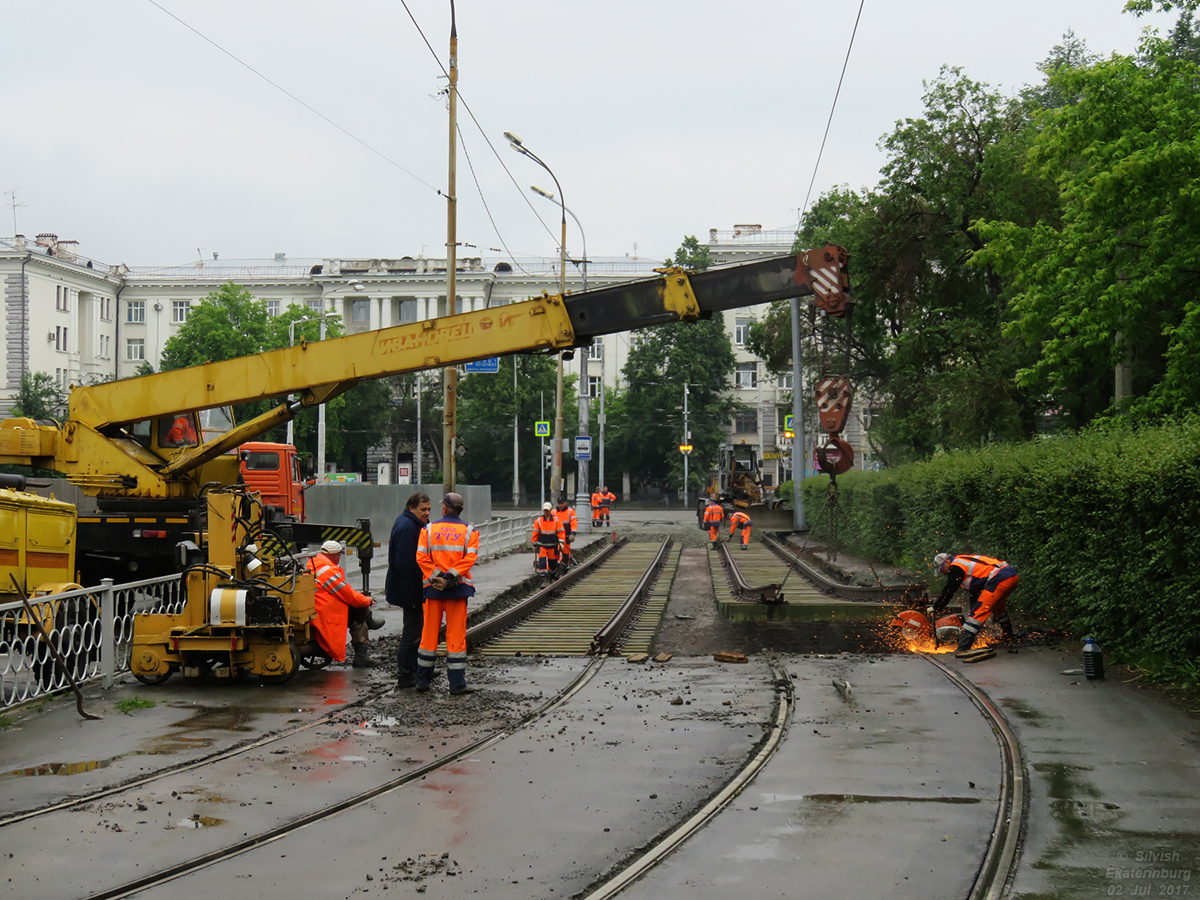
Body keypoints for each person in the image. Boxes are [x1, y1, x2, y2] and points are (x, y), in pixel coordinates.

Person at [415, 492, 479, 694]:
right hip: (457, 591)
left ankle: (422, 681)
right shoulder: (470, 532)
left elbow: (421, 557)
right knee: (456, 637)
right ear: (461, 510)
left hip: (433, 591)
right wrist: (450, 578)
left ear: (444, 508)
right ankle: (457, 684)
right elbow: (469, 559)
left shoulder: (429, 529)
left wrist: (438, 578)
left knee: (428, 637)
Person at [307, 539, 382, 667]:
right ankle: (362, 654)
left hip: (319, 605)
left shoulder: (314, 563)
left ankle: (368, 621)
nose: (340, 557)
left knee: (358, 605)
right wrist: (367, 601)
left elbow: (344, 592)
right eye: (339, 555)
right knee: (358, 612)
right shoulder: (328, 571)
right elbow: (347, 594)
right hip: (325, 611)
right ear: (335, 555)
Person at [384, 491, 432, 689]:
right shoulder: (407, 527)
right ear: (412, 508)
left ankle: (414, 669)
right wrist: (413, 595)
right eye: (423, 509)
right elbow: (406, 565)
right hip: (408, 589)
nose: (427, 513)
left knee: (416, 632)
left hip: (409, 587)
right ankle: (405, 675)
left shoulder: (410, 523)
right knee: (411, 634)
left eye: (429, 509)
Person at [931, 552, 1019, 656]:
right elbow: (975, 591)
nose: (944, 573)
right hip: (1011, 576)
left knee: (978, 613)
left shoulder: (955, 567)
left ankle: (963, 647)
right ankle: (1009, 640)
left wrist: (936, 607)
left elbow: (949, 591)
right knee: (998, 609)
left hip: (999, 578)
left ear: (946, 562)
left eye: (942, 570)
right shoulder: (963, 561)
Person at [532, 502, 566, 577]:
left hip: (553, 545)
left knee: (553, 563)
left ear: (550, 510)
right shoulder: (539, 521)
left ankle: (552, 575)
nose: (546, 512)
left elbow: (561, 532)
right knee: (542, 561)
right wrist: (534, 544)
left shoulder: (556, 520)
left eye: (547, 510)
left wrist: (561, 542)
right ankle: (544, 579)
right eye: (545, 510)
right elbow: (535, 533)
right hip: (542, 545)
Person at [553, 494, 577, 568]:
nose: (560, 505)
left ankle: (566, 564)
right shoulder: (553, 512)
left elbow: (573, 523)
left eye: (562, 503)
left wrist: (573, 533)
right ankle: (557, 565)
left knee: (565, 552)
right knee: (555, 552)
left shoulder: (570, 511)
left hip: (566, 537)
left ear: (565, 503)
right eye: (559, 503)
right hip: (556, 537)